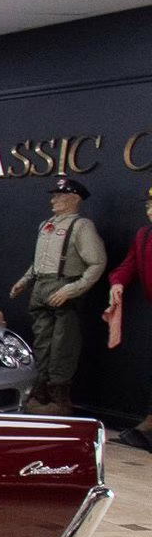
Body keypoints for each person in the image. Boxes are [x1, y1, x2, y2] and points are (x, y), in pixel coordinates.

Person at [9, 175, 103, 416]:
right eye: (54, 196)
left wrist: (71, 289)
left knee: (63, 345)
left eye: (59, 196)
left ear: (74, 198)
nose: (54, 200)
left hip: (64, 288)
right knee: (42, 342)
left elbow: (96, 263)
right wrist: (25, 280)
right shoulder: (46, 225)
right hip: (41, 288)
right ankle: (40, 392)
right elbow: (39, 262)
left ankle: (59, 397)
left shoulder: (81, 226)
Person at [106, 185, 152, 449]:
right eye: (148, 205)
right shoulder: (144, 235)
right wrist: (118, 282)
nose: (149, 210)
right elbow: (129, 265)